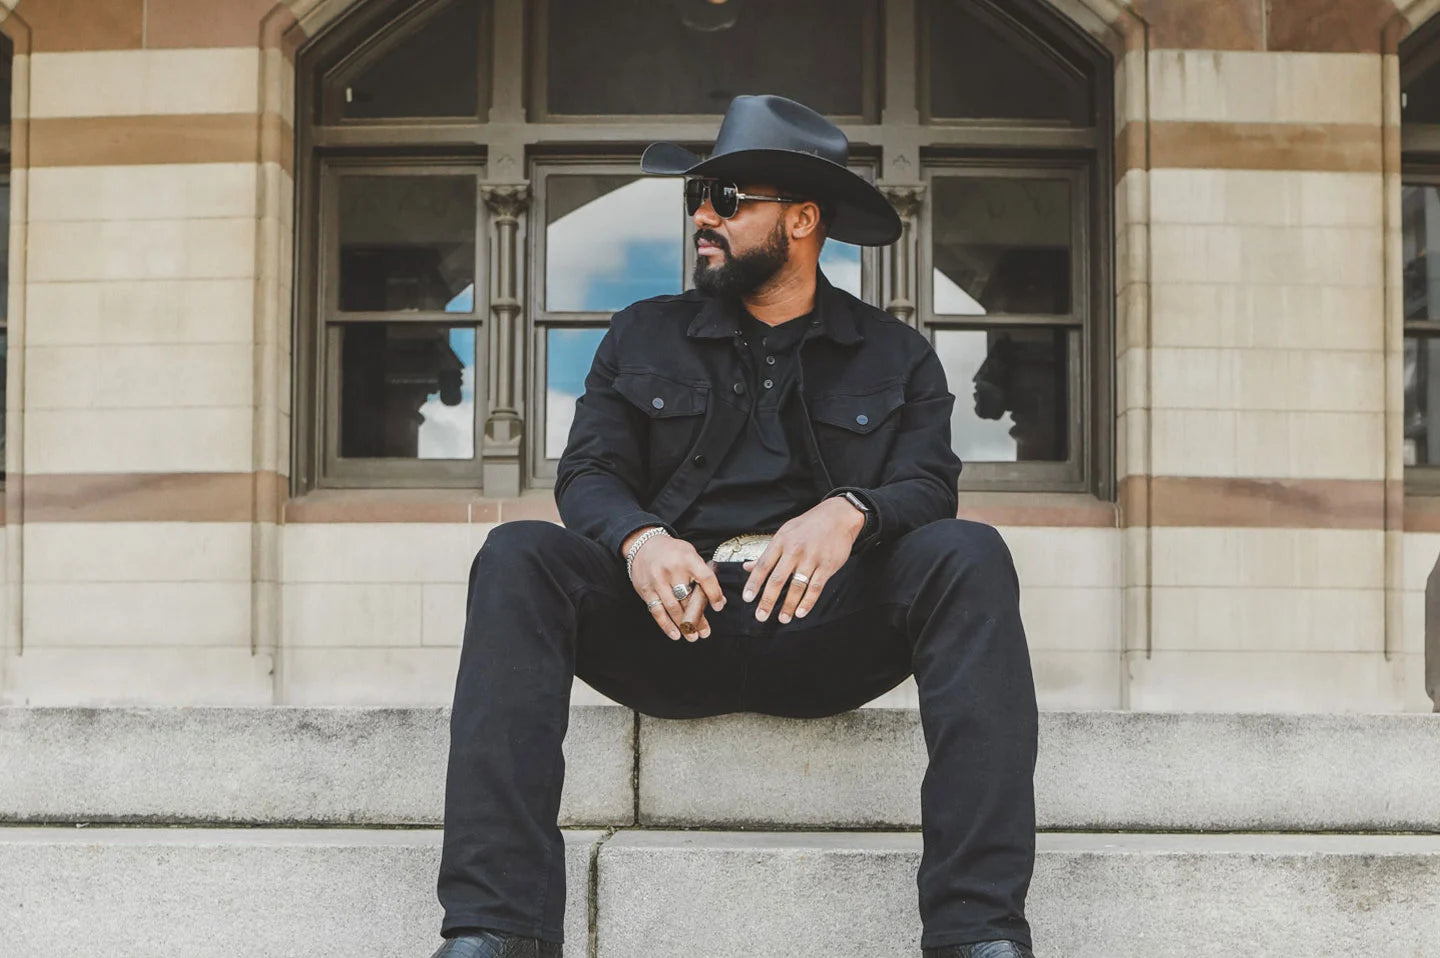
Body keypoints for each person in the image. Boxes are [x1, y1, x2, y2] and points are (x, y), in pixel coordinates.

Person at [431, 94, 1039, 958]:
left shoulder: (896, 355)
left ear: (800, 218)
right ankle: (498, 930)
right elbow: (590, 472)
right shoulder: (642, 333)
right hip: (674, 626)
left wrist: (852, 513)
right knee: (517, 554)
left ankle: (977, 935)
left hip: (826, 634)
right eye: (696, 199)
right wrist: (641, 540)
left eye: (727, 199)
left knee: (969, 553)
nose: (703, 217)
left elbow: (929, 485)